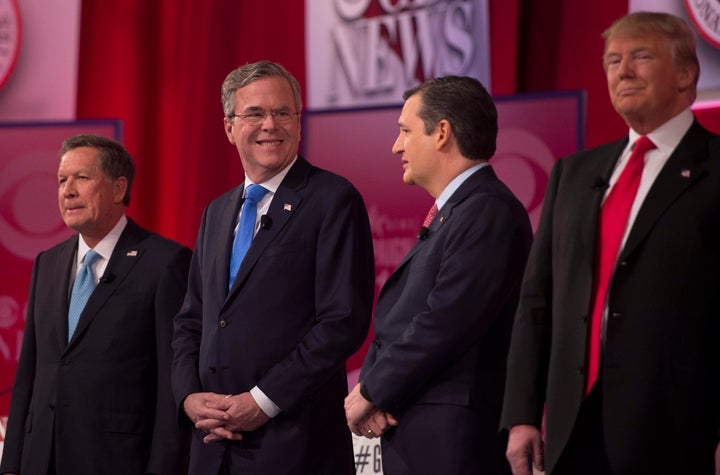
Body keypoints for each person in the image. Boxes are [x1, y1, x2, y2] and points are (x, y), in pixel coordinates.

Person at [501, 11, 720, 475]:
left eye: (641, 57)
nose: (622, 71)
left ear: (685, 74)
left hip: (677, 431)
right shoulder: (574, 173)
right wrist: (522, 414)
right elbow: (537, 300)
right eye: (612, 60)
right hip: (571, 429)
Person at [171, 60, 375, 475]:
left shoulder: (332, 199)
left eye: (283, 112)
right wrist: (190, 399)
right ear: (229, 128)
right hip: (212, 446)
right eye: (255, 113)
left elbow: (342, 322)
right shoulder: (216, 212)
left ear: (299, 123)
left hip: (295, 445)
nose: (271, 124)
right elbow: (191, 321)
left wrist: (262, 401)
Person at [344, 75, 533, 475]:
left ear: (442, 132)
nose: (396, 146)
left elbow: (445, 321)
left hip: (454, 442)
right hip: (418, 429)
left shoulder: (488, 211)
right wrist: (379, 396)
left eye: (405, 131)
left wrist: (372, 390)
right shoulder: (461, 211)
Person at [0, 134, 191, 474]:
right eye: (61, 180)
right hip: (41, 458)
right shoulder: (48, 262)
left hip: (116, 459)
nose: (67, 190)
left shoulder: (165, 263)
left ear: (119, 189)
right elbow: (30, 369)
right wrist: (12, 462)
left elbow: (171, 382)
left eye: (81, 178)